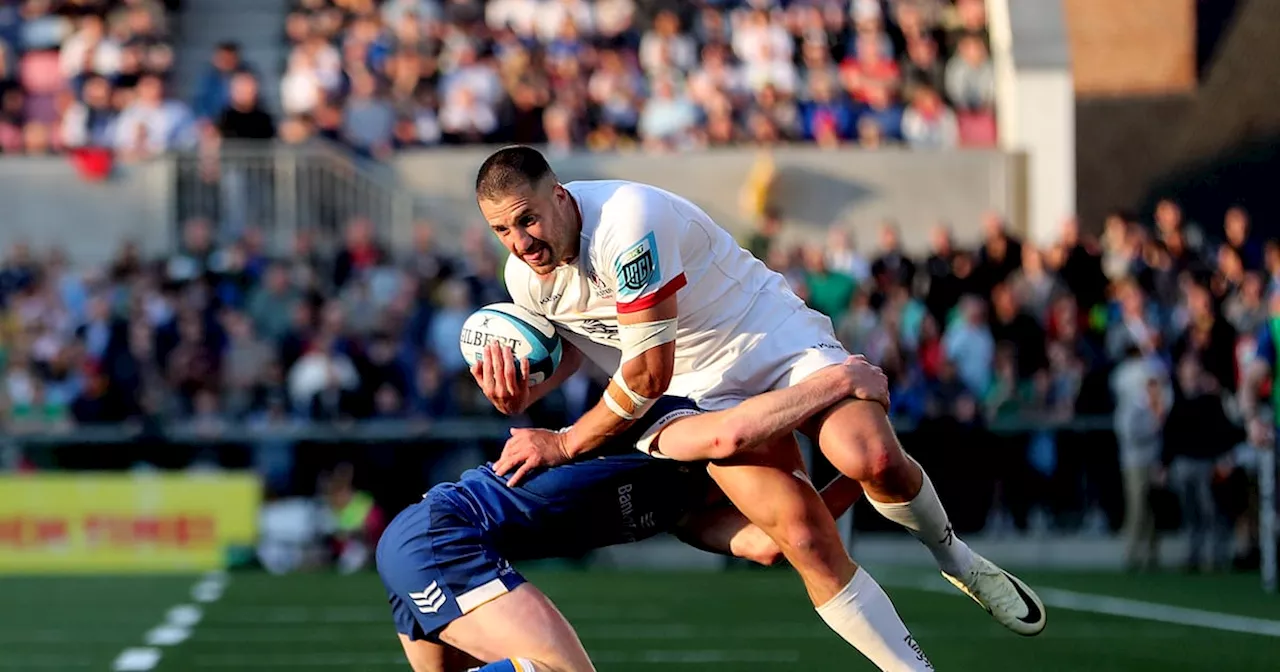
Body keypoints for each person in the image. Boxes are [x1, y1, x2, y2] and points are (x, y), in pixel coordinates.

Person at [471, 146, 1045, 649]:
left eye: (528, 220)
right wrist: (521, 392)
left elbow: (646, 373)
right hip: (688, 397)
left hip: (767, 338)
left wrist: (564, 443)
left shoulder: (626, 220)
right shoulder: (523, 278)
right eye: (502, 231)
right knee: (796, 541)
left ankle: (954, 558)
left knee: (871, 458)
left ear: (561, 197)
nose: (520, 243)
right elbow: (581, 339)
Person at [378, 357, 924, 672]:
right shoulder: (669, 423)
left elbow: (769, 543)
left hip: (429, 548)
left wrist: (868, 473)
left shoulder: (683, 513)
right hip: (442, 537)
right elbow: (729, 431)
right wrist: (837, 381)